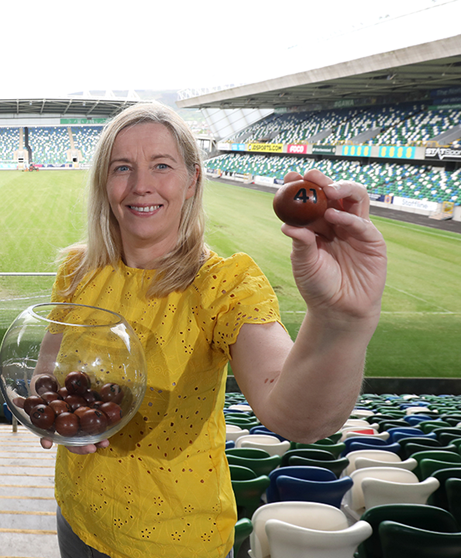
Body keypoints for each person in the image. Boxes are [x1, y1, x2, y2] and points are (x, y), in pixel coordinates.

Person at [41, 102, 387, 558]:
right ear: (104, 184)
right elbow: (48, 360)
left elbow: (297, 420)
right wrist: (51, 410)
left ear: (192, 181)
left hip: (176, 540)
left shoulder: (225, 285)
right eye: (121, 167)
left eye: (161, 165)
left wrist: (340, 322)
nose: (140, 185)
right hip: (76, 515)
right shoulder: (77, 269)